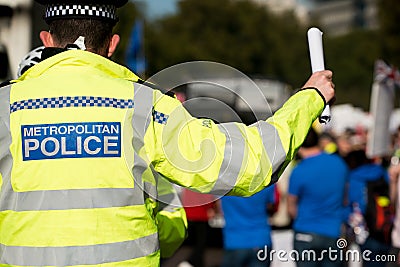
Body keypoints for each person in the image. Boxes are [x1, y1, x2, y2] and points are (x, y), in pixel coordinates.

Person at [0, 0, 335, 266]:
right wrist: (309, 99)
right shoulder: (146, 106)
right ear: (113, 43)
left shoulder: (3, 106)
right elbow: (249, 162)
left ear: (46, 41)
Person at [287, 128, 348, 267]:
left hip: (306, 231)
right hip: (333, 232)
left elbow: (291, 208)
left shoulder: (299, 170)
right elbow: (345, 198)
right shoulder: (339, 163)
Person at [220, 185, 278, 267]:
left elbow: (217, 207)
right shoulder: (265, 179)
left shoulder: (225, 183)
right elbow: (273, 206)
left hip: (235, 241)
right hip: (261, 239)